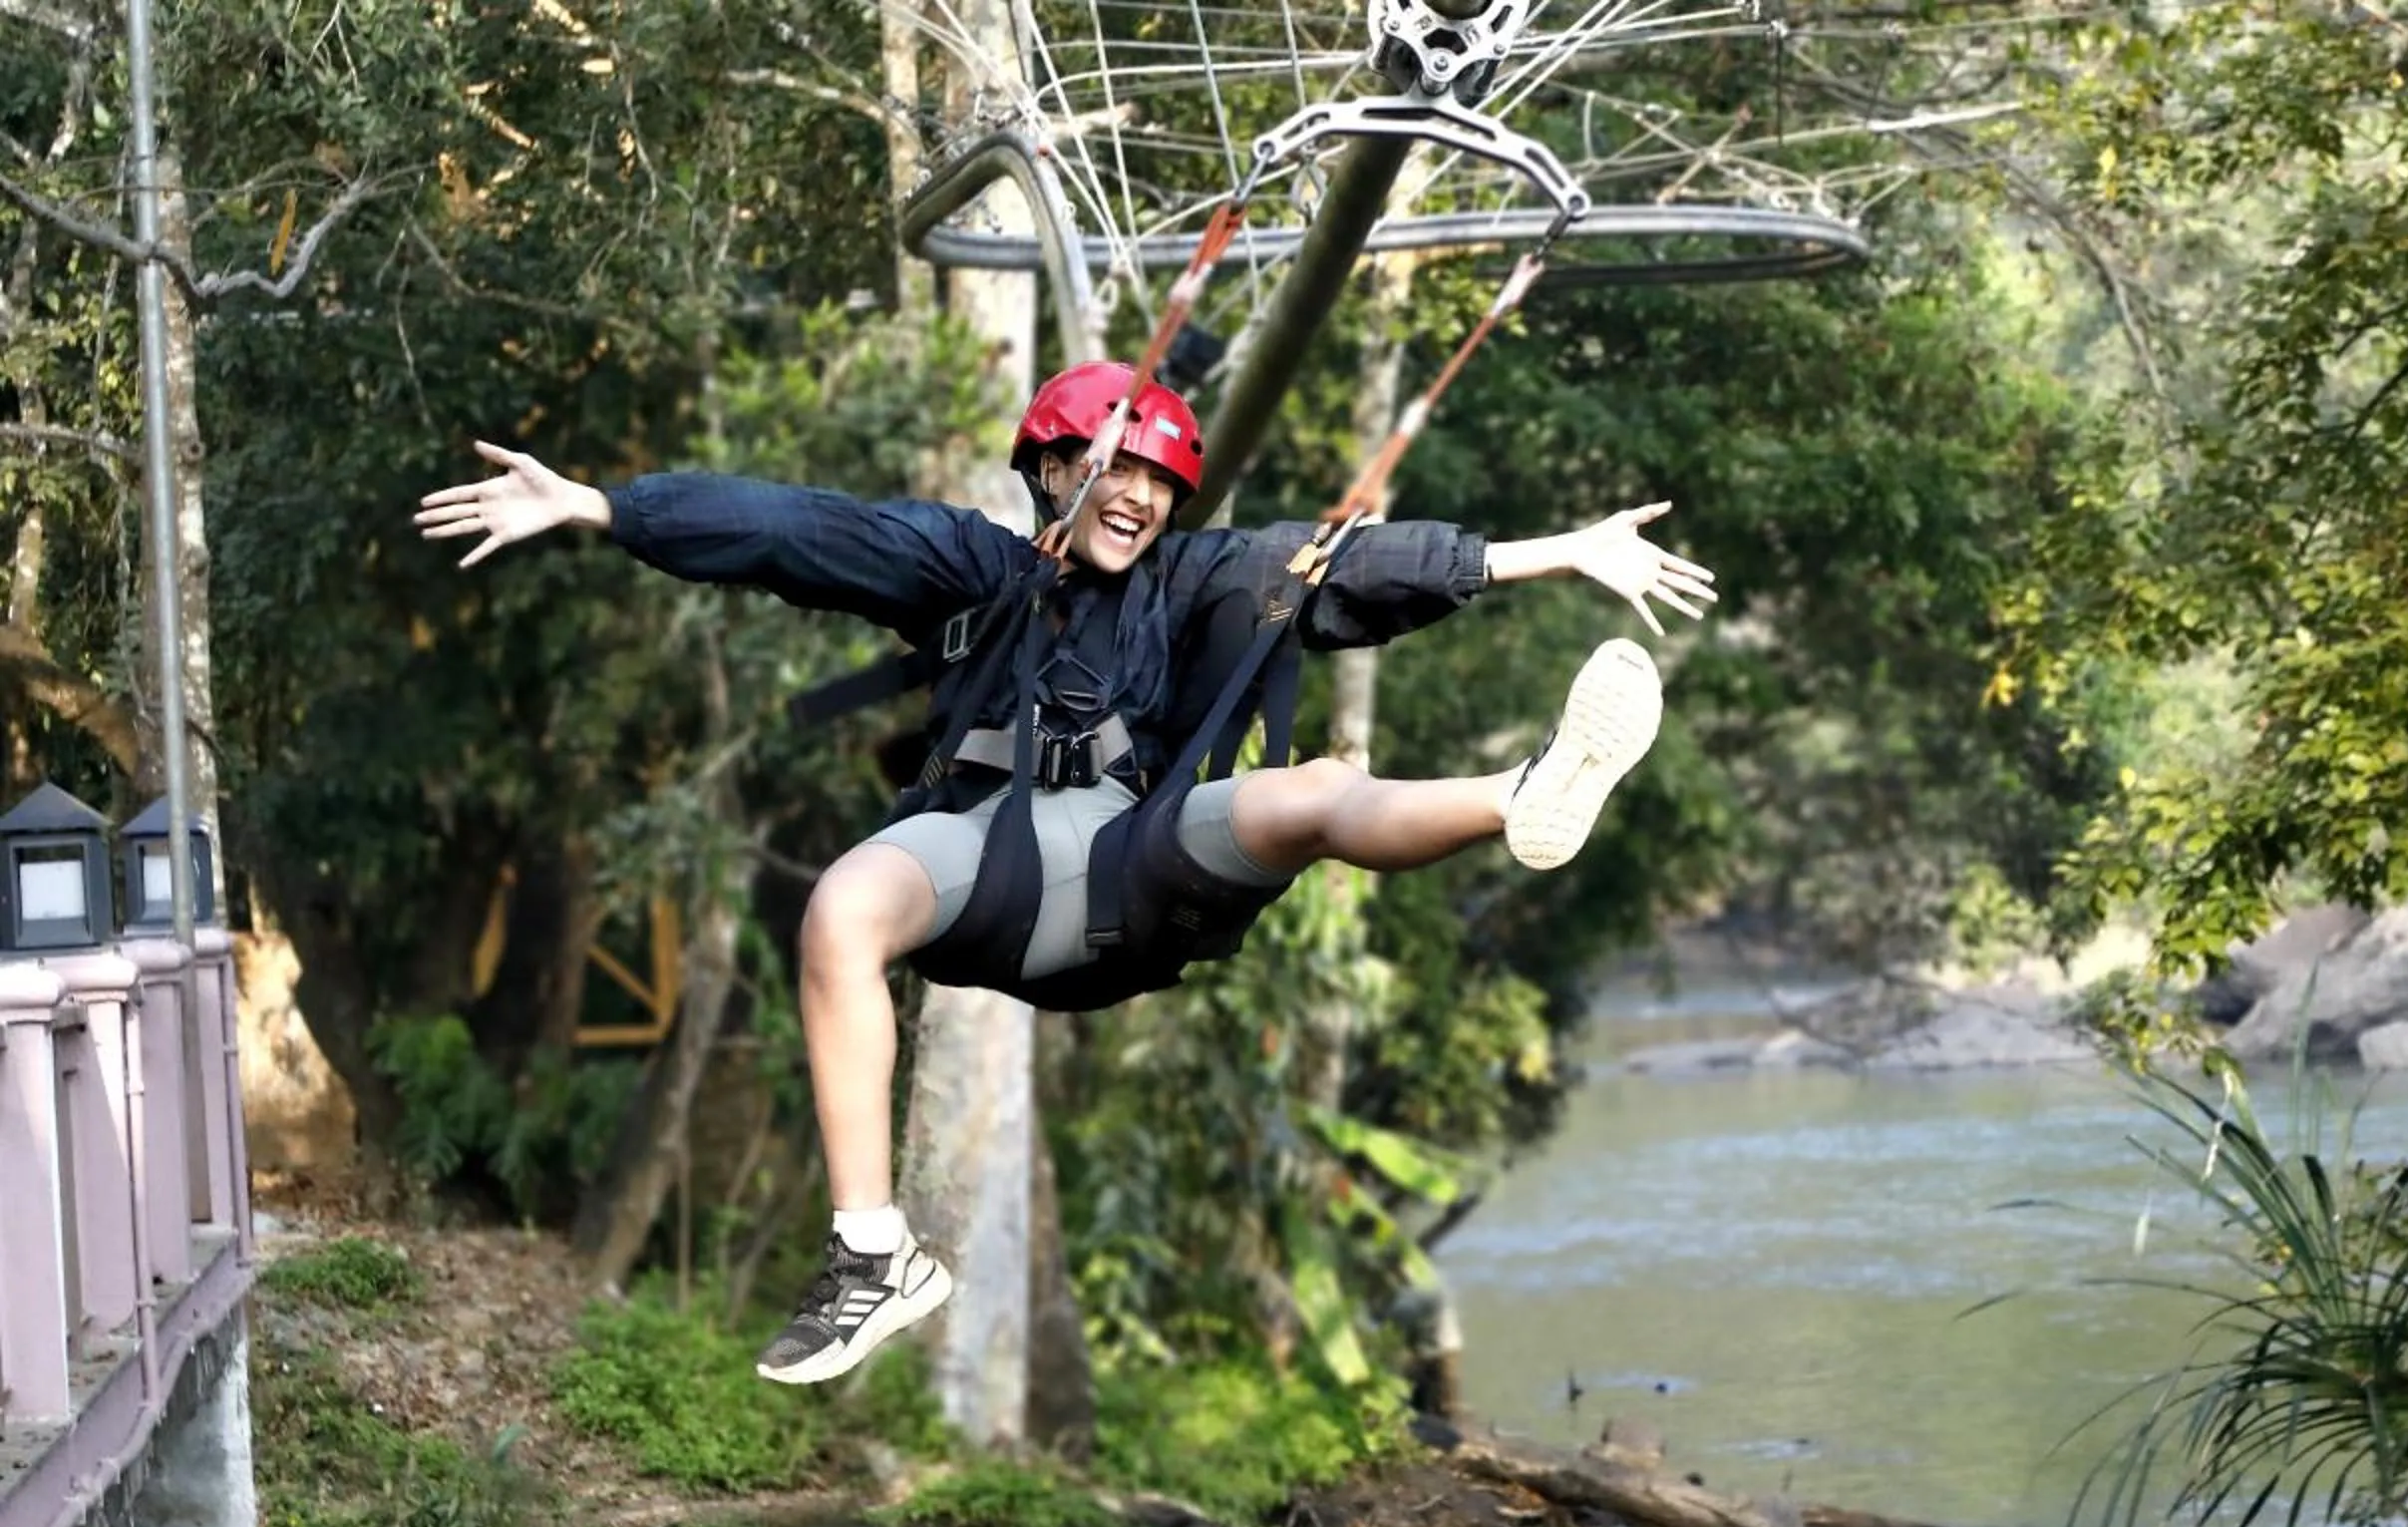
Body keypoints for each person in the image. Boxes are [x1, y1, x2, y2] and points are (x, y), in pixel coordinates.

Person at [416, 360, 1715, 1386]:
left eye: (1161, 478)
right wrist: (602, 506)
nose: (1141, 497)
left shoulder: (1203, 576)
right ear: (1048, 470)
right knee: (842, 907)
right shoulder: (972, 568)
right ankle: (871, 1256)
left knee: (1315, 791)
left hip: (1129, 878)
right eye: (1114, 469)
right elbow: (799, 530)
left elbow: (1353, 563)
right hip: (981, 865)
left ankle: (1524, 794)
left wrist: (1551, 554)